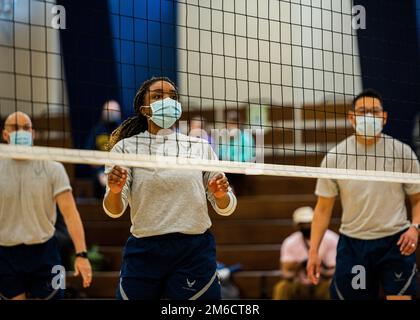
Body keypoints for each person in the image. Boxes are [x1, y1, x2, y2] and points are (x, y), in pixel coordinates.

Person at [103, 77, 237, 300]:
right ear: (144, 109)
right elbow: (114, 210)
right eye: (157, 96)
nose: (167, 100)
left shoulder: (199, 146)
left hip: (193, 251)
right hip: (145, 251)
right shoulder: (125, 148)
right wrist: (115, 190)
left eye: (172, 97)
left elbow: (227, 207)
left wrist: (221, 195)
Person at [307, 89, 420, 300]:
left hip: (395, 242)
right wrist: (314, 251)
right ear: (351, 117)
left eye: (374, 111)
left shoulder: (402, 152)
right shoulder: (335, 157)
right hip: (354, 244)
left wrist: (415, 227)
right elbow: (322, 210)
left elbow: (418, 199)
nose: (369, 116)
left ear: (384, 117)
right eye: (362, 111)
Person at [0, 112, 92, 300]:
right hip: (5, 253)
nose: (22, 132)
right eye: (15, 127)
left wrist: (82, 255)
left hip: (44, 252)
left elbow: (70, 213)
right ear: (5, 135)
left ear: (33, 134)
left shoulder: (52, 168)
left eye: (26, 128)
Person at [272, 207, 338, 300]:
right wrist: (299, 267)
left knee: (333, 286)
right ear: (296, 226)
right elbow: (285, 272)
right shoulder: (290, 242)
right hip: (299, 285)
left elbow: (337, 269)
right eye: (303, 224)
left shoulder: (331, 239)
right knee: (282, 287)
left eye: (309, 223)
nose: (307, 226)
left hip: (323, 283)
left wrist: (321, 271)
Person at [85, 100, 122, 197]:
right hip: (100, 170)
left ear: (119, 112)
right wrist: (100, 172)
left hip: (120, 169)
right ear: (103, 112)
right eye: (108, 110)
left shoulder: (124, 130)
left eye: (114, 111)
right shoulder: (96, 130)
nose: (111, 113)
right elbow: (88, 152)